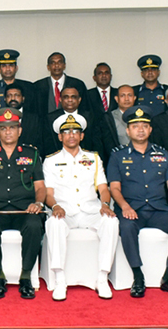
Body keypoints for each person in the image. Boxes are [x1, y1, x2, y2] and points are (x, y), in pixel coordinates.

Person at [107, 107, 168, 298]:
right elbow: (114, 188)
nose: (141, 130)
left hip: (158, 209)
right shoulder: (118, 155)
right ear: (128, 131)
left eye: (145, 126)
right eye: (135, 126)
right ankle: (138, 276)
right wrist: (124, 206)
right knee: (126, 227)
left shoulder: (163, 154)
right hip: (131, 209)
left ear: (150, 130)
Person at [43, 113, 119, 301]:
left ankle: (102, 277)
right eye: (66, 132)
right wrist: (55, 207)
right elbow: (48, 194)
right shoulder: (50, 160)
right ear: (60, 137)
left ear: (82, 136)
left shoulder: (93, 158)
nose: (71, 135)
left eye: (75, 131)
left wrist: (105, 204)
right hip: (65, 211)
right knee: (54, 223)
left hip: (90, 211)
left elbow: (103, 187)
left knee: (111, 221)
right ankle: (60, 279)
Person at [0, 108, 46, 300]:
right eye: (3, 128)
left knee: (34, 225)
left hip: (24, 210)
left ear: (19, 130)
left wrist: (38, 203)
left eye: (12, 127)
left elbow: (40, 187)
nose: (8, 132)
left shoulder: (32, 154)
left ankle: (26, 277)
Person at [42, 86, 102, 158]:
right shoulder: (50, 118)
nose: (70, 100)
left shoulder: (90, 117)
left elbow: (97, 142)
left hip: (86, 160)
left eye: (73, 97)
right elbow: (48, 144)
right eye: (66, 97)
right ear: (60, 99)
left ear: (79, 100)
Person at [0, 83, 42, 150]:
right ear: (5, 99)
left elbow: (40, 144)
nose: (13, 98)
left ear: (23, 98)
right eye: (9, 96)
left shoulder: (34, 119)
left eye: (17, 95)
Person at [0, 49, 36, 119]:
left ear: (16, 68)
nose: (7, 69)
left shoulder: (28, 87)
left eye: (11, 65)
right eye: (4, 66)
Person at [100, 84, 137, 165]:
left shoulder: (142, 116)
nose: (126, 99)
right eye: (123, 95)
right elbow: (108, 144)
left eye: (130, 95)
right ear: (116, 99)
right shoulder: (109, 117)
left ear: (134, 98)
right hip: (118, 160)